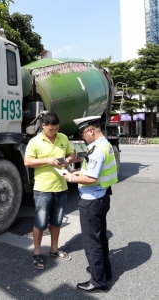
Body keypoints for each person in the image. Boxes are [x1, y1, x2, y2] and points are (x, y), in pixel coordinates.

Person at [62, 116, 118, 293]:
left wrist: (71, 177)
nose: (83, 137)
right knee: (100, 237)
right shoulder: (105, 145)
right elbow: (96, 171)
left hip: (91, 201)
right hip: (102, 197)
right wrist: (80, 170)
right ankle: (104, 272)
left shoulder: (96, 150)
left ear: (91, 131)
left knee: (91, 242)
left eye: (83, 133)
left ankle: (98, 282)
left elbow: (91, 178)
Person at [24, 112, 75, 270]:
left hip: (61, 187)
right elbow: (27, 162)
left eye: (56, 129)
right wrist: (47, 160)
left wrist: (68, 160)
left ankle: (54, 249)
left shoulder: (63, 138)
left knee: (56, 221)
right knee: (40, 223)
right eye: (50, 129)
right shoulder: (35, 141)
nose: (54, 132)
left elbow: (71, 154)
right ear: (43, 126)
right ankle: (37, 252)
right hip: (43, 189)